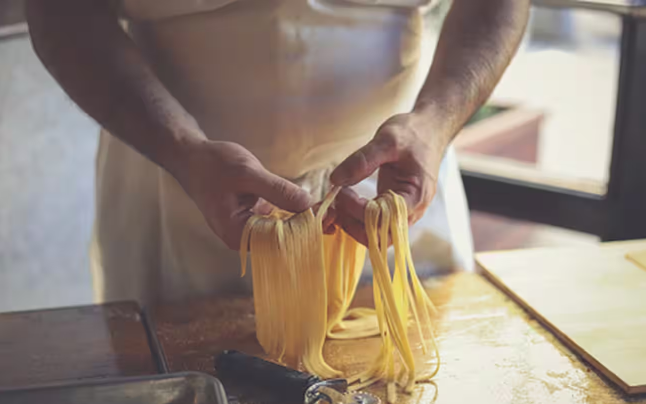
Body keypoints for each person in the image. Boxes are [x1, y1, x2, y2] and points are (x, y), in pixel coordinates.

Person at [26, 0, 529, 306]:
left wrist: (435, 125)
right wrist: (183, 150)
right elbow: (60, 10)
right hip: (175, 191)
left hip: (393, 195)